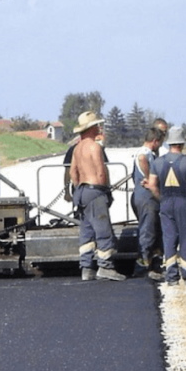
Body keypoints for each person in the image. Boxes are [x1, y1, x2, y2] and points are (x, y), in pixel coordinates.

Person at [69, 111, 125, 281]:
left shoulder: (77, 149)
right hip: (95, 190)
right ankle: (105, 266)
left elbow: (73, 172)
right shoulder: (95, 147)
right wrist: (104, 190)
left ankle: (87, 268)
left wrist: (79, 188)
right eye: (97, 125)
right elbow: (100, 172)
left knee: (86, 230)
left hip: (82, 191)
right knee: (103, 229)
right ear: (91, 128)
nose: (99, 128)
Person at [146, 126, 186, 288]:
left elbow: (151, 185)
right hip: (184, 202)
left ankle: (171, 276)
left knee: (169, 237)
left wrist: (161, 199)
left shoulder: (157, 162)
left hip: (166, 203)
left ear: (169, 143)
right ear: (183, 143)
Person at [130, 127, 165, 280]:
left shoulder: (150, 153)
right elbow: (142, 159)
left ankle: (154, 265)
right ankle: (142, 268)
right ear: (155, 141)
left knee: (155, 232)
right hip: (146, 198)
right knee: (147, 232)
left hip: (149, 198)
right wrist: (150, 179)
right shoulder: (145, 153)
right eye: (160, 142)